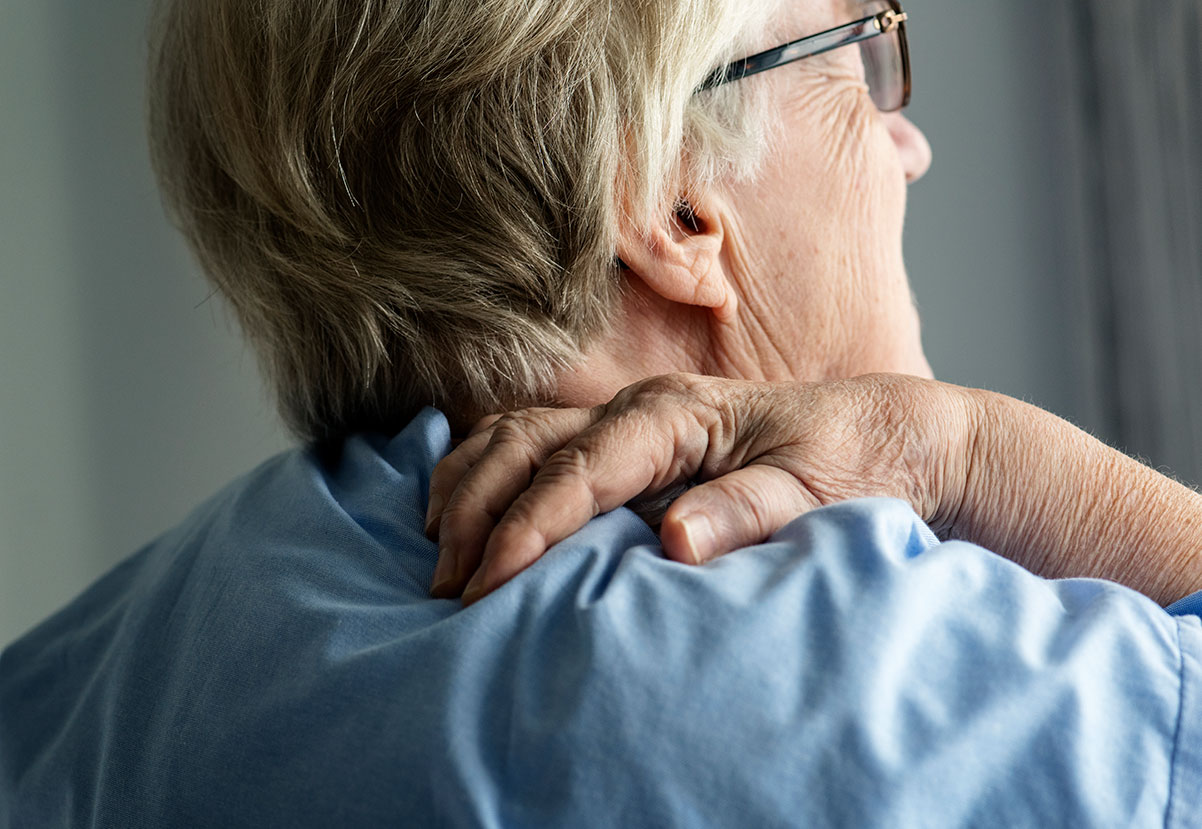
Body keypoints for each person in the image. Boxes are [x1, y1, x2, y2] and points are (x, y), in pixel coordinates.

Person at [2, 0, 1200, 826]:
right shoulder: (851, 669)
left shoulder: (84, 683)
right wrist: (972, 449)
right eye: (856, 49)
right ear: (673, 209)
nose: (907, 143)